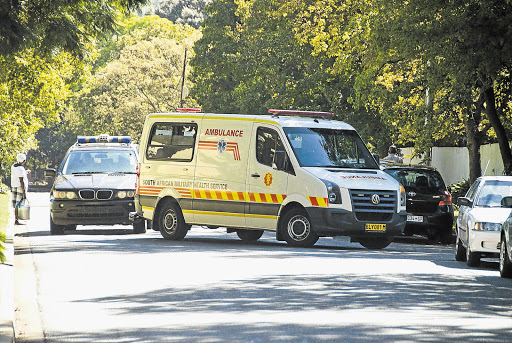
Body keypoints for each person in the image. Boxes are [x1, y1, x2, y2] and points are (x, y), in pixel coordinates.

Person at [11, 153, 30, 225]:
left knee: (15, 203)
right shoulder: (21, 168)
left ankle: (16, 219)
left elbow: (17, 174)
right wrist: (24, 193)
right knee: (19, 204)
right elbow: (21, 181)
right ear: (23, 161)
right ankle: (18, 219)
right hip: (19, 187)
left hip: (14, 186)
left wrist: (25, 172)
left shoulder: (13, 166)